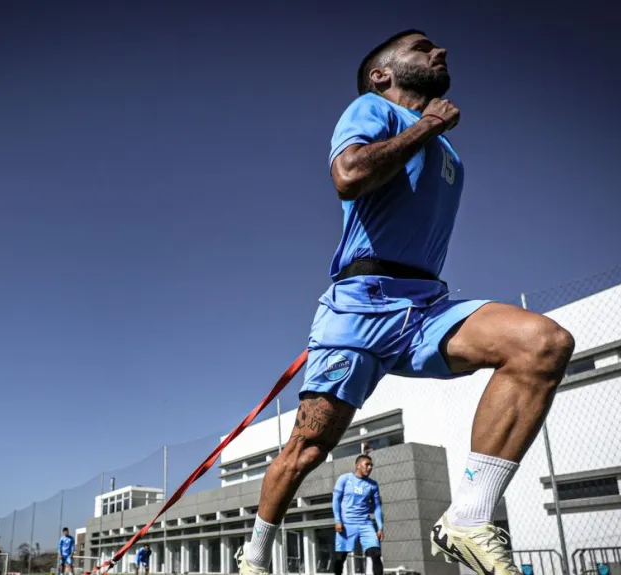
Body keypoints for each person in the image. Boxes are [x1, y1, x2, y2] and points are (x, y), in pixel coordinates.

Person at [234, 29, 575, 575]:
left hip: (424, 308)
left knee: (543, 343)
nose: (439, 52)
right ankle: (253, 558)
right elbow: (348, 177)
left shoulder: (449, 156)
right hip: (359, 307)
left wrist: (431, 133)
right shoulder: (371, 109)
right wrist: (426, 125)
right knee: (308, 448)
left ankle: (467, 516)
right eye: (422, 48)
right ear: (381, 73)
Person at [333, 455, 384, 575]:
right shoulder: (344, 479)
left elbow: (377, 507)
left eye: (371, 465)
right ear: (358, 465)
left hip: (365, 524)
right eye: (367, 464)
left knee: (376, 554)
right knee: (340, 558)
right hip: (346, 524)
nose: (370, 467)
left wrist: (380, 527)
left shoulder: (373, 485)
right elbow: (336, 500)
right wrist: (337, 520)